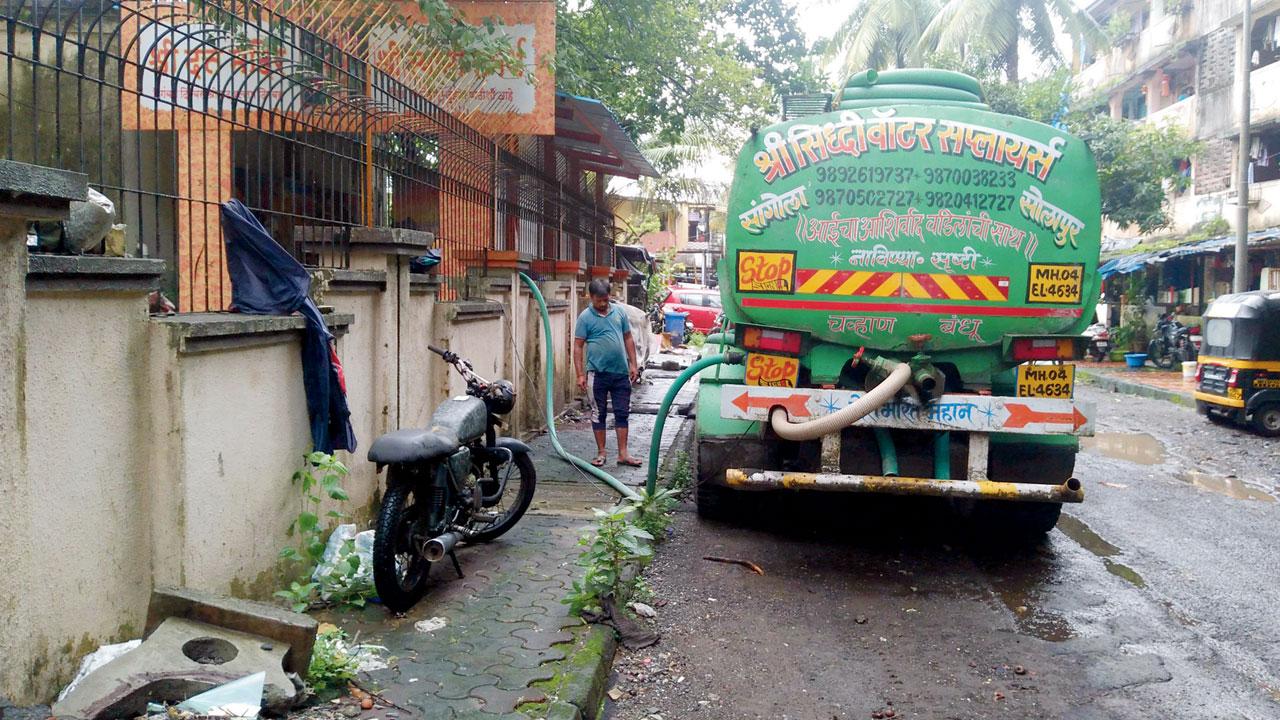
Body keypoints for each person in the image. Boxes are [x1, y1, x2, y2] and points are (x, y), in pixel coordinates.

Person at [574, 279, 641, 467]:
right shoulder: (585, 317)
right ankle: (601, 453)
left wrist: (633, 364)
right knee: (598, 413)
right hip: (597, 374)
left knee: (622, 412)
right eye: (599, 301)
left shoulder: (619, 312)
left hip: (620, 373)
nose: (603, 304)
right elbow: (578, 347)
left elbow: (628, 338)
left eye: (606, 300)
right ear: (591, 297)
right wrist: (580, 374)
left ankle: (623, 454)